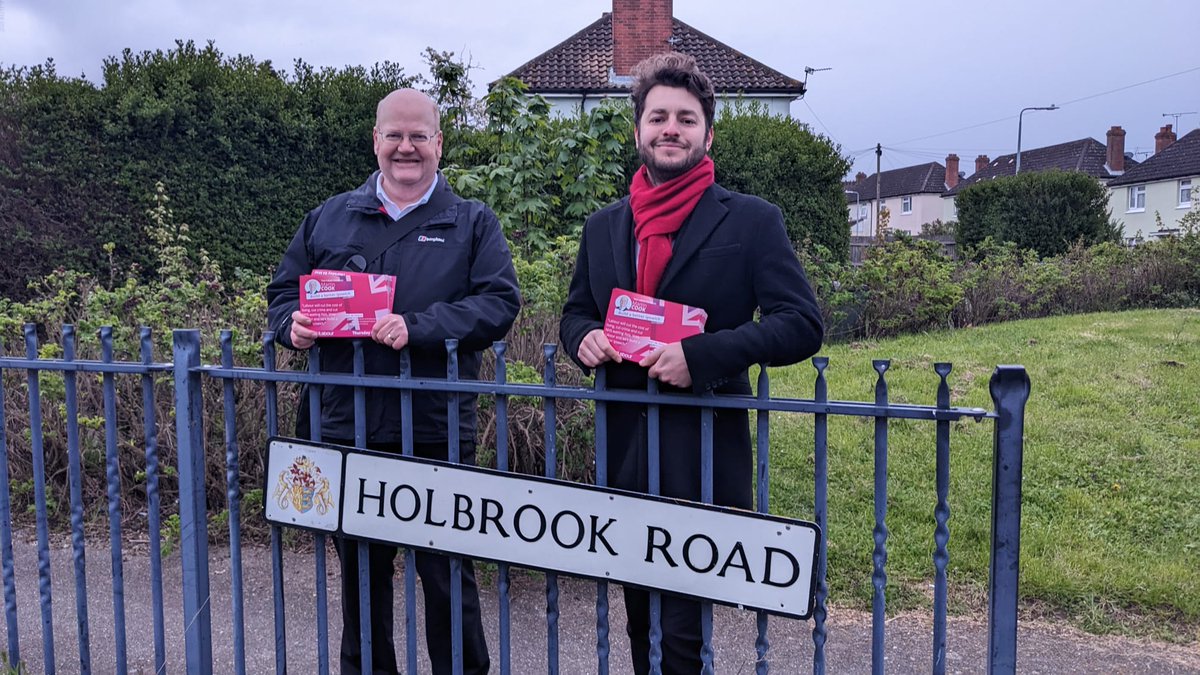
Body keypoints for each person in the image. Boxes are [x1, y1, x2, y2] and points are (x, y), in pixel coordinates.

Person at [559, 53, 824, 674]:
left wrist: (700, 356)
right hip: (624, 447)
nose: (669, 128)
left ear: (708, 132)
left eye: (685, 118)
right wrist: (585, 339)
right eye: (658, 117)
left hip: (700, 449)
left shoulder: (753, 221)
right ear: (639, 131)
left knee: (680, 632)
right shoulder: (603, 228)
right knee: (636, 620)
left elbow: (801, 323)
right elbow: (574, 313)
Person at [267, 88, 519, 675]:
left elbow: (499, 303)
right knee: (359, 578)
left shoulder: (473, 222)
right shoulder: (328, 216)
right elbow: (283, 293)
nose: (406, 147)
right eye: (394, 135)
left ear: (439, 143)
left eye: (419, 136)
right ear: (375, 141)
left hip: (435, 427)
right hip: (343, 421)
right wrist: (291, 326)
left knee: (447, 575)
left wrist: (418, 327)